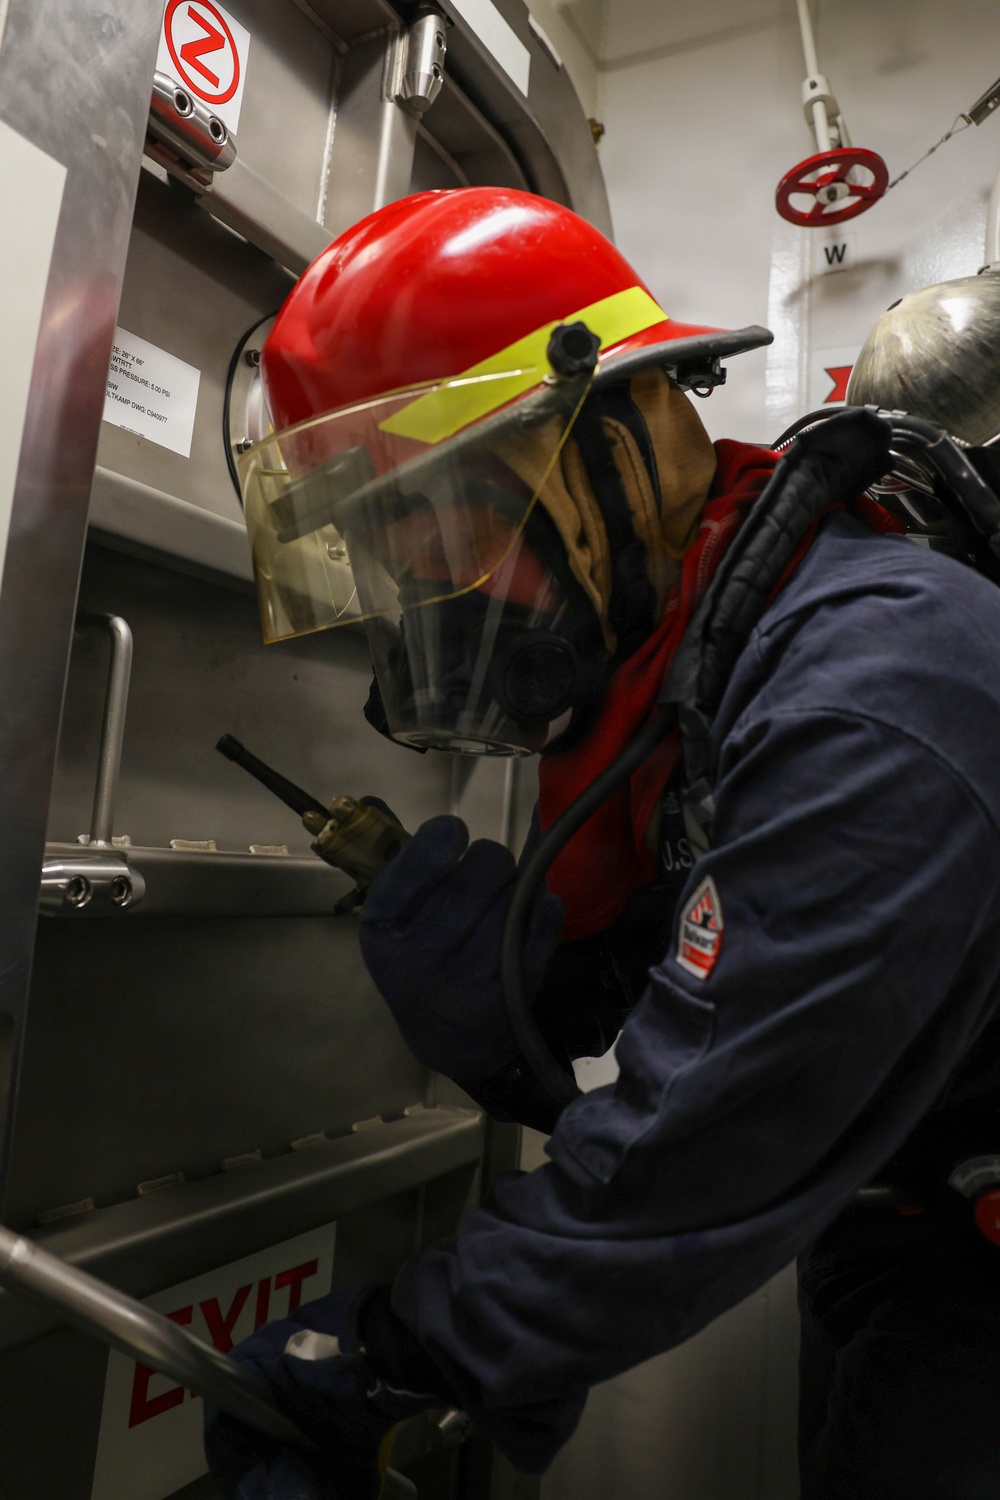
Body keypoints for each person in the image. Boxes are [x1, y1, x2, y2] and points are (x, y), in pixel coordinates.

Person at [207, 187, 1000, 1500]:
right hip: (897, 1222)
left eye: (434, 507)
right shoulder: (699, 660)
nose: (422, 582)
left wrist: (417, 1348)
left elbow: (706, 1151)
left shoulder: (868, 689)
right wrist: (535, 993)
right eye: (379, 543)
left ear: (613, 424)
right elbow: (693, 1026)